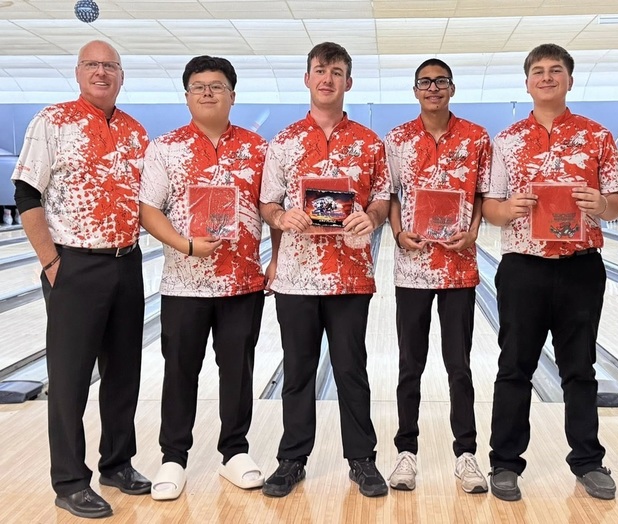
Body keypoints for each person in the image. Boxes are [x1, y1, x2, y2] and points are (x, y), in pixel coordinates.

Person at [11, 40, 150, 519]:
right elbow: (27, 193)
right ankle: (70, 481)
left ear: (121, 74)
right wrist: (52, 262)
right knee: (70, 380)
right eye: (92, 65)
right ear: (78, 72)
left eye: (110, 65)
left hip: (126, 261)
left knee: (123, 374)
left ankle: (117, 463)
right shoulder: (52, 121)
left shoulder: (136, 132)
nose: (101, 72)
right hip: (74, 264)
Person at [482, 43, 618, 502]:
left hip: (580, 267)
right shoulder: (505, 141)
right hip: (523, 267)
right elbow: (489, 208)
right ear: (527, 82)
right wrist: (509, 209)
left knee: (580, 370)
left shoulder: (598, 137)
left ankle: (587, 461)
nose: (547, 77)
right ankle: (505, 464)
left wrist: (601, 205)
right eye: (538, 71)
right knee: (515, 368)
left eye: (555, 70)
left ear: (569, 79)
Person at [259, 42, 390, 498]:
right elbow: (267, 202)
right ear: (308, 78)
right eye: (320, 70)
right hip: (296, 276)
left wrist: (371, 217)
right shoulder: (284, 142)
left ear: (348, 82)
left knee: (352, 368)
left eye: (336, 72)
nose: (327, 79)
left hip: (350, 275)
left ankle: (362, 460)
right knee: (297, 370)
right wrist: (280, 218)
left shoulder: (370, 143)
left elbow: (382, 198)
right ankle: (292, 459)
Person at [139, 55, 268, 501]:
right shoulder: (165, 147)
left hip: (243, 282)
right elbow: (148, 209)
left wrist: (277, 260)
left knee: (237, 371)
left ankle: (234, 451)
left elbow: (271, 208)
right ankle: (173, 457)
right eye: (199, 86)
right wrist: (184, 244)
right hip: (183, 284)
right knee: (180, 371)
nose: (208, 93)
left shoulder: (257, 147)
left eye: (217, 86)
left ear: (233, 95)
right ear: (187, 95)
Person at [384, 58, 491, 493]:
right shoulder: (397, 139)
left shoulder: (476, 138)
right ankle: (406, 453)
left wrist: (473, 232)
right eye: (425, 82)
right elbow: (390, 195)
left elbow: (484, 194)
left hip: (458, 268)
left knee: (458, 366)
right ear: (415, 90)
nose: (433, 88)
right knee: (410, 366)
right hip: (412, 269)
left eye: (440, 81)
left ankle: (466, 455)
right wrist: (396, 230)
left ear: (452, 88)